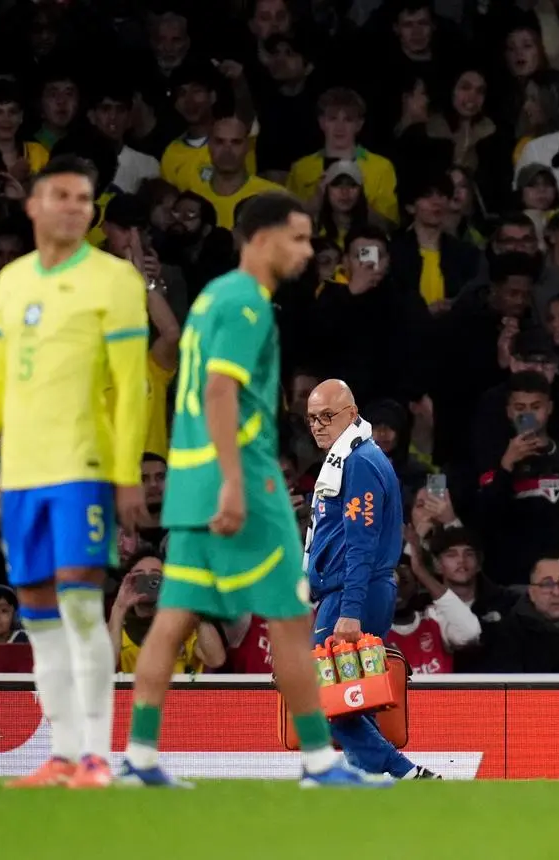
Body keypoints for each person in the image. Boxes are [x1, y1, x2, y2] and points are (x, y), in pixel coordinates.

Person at [119, 195, 385, 789]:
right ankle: (320, 762)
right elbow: (219, 392)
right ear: (261, 239)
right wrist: (236, 485)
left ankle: (138, 756)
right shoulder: (246, 305)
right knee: (291, 618)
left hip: (191, 483)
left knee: (174, 618)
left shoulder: (212, 296)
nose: (306, 250)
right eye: (296, 238)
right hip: (241, 480)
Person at [0, 155, 151, 789]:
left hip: (81, 469)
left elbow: (132, 386)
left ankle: (96, 755)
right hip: (20, 478)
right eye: (59, 195)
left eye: (83, 198)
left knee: (81, 607)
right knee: (37, 617)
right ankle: (63, 754)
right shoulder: (11, 282)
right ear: (32, 205)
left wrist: (123, 473)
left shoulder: (115, 281)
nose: (72, 206)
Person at [303, 378, 438, 780]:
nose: (319, 425)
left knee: (323, 691)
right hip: (351, 589)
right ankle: (373, 779)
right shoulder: (353, 458)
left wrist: (350, 611)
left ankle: (401, 771)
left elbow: (360, 544)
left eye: (328, 416)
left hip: (353, 590)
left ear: (352, 413)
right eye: (312, 418)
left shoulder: (360, 462)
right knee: (349, 697)